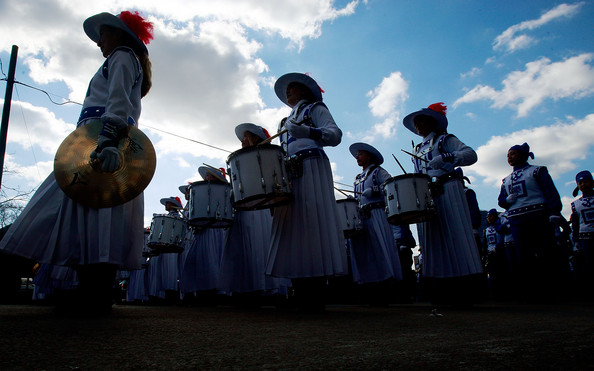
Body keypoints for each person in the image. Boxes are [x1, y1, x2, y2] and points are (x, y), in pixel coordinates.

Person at [0, 11, 153, 315]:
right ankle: (92, 292)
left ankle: (94, 295)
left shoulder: (123, 55)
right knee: (94, 220)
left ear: (120, 35)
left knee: (89, 216)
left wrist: (107, 139)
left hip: (102, 141)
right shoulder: (121, 58)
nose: (99, 42)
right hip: (93, 140)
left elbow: (119, 99)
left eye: (103, 35)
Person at [266, 72, 348, 312]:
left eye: (293, 88)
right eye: (287, 89)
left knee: (312, 222)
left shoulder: (315, 109)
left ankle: (314, 291)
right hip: (289, 173)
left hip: (311, 165)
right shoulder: (283, 121)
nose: (288, 92)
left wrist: (310, 133)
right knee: (294, 228)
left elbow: (335, 135)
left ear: (305, 90)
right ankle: (299, 288)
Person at [402, 102, 483, 306]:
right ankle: (441, 290)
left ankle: (466, 288)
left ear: (432, 121)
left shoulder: (445, 139)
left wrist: (449, 156)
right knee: (433, 240)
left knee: (455, 234)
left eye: (421, 120)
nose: (418, 124)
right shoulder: (417, 149)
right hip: (427, 194)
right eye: (416, 122)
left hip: (447, 189)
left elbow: (471, 155)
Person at [219, 123, 290, 309]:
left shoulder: (265, 157)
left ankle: (265, 291)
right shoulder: (239, 160)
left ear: (256, 138)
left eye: (246, 137)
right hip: (242, 210)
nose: (242, 141)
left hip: (261, 209)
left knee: (259, 248)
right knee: (240, 251)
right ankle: (243, 290)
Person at [498, 142, 567, 301]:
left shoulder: (537, 171)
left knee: (546, 251)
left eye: (513, 154)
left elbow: (550, 191)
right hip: (517, 219)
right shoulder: (506, 180)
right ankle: (530, 291)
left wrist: (554, 210)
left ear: (523, 155)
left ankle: (552, 290)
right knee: (523, 255)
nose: (509, 157)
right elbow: (501, 201)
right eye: (508, 155)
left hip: (538, 215)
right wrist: (507, 200)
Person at [348, 142, 403, 305]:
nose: (357, 157)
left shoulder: (378, 172)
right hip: (362, 216)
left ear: (369, 156)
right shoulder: (357, 178)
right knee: (365, 252)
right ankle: (369, 285)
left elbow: (391, 186)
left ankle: (386, 285)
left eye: (360, 154)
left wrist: (376, 191)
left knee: (380, 248)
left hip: (377, 213)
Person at [178, 167, 228, 305]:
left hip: (214, 230)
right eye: (206, 176)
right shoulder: (203, 193)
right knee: (197, 262)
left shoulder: (220, 192)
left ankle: (210, 293)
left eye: (209, 176)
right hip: (200, 231)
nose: (206, 178)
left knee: (210, 261)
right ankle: (197, 292)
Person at [570, 170, 594, 298]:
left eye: (585, 181)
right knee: (589, 263)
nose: (583, 184)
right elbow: (575, 224)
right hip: (585, 237)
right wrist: (576, 241)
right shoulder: (575, 204)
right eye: (580, 183)